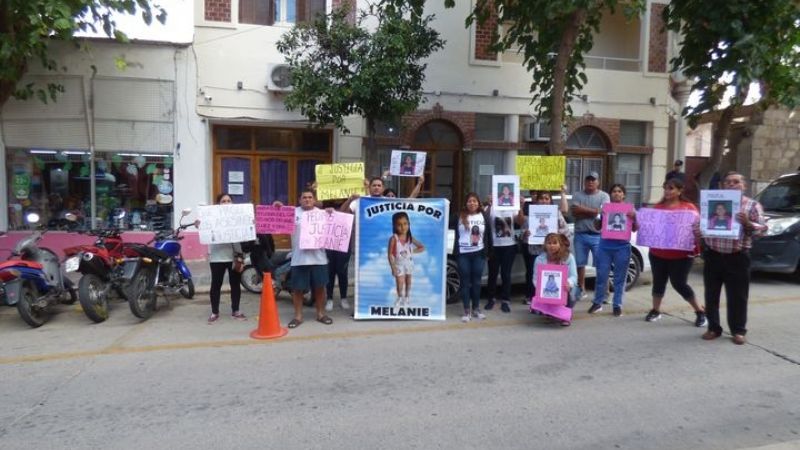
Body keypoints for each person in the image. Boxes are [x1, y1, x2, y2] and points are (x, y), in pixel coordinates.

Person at [696, 172, 766, 345]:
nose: (731, 185)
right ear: (722, 186)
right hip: (713, 255)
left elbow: (763, 230)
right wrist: (698, 231)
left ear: (744, 186)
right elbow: (698, 225)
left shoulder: (752, 205)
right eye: (728, 182)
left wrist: (748, 224)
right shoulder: (710, 202)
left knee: (738, 296)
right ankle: (713, 328)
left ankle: (738, 330)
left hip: (738, 257)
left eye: (736, 182)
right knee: (711, 294)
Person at [645, 177, 706, 327]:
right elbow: (649, 228)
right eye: (665, 188)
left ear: (680, 191)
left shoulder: (689, 208)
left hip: (681, 255)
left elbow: (698, 229)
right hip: (658, 253)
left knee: (679, 283)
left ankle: (699, 311)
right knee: (658, 282)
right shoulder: (658, 208)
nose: (667, 191)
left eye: (671, 188)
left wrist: (698, 234)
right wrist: (638, 219)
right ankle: (655, 310)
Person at [274, 189, 333, 328]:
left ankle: (321, 314)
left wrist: (332, 213)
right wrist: (277, 209)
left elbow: (340, 222)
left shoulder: (323, 213)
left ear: (314, 200)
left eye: (310, 197)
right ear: (300, 200)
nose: (307, 199)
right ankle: (298, 316)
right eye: (304, 197)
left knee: (320, 288)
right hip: (299, 259)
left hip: (319, 258)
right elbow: (275, 222)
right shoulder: (293, 213)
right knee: (297, 289)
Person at [588, 184, 638, 317]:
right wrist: (600, 216)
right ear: (610, 194)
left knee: (619, 277)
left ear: (624, 195)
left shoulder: (630, 209)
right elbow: (597, 226)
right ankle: (598, 302)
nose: (616, 193)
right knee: (601, 275)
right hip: (605, 246)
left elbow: (635, 228)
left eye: (619, 191)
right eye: (614, 191)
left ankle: (617, 305)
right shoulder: (605, 208)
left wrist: (634, 217)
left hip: (622, 246)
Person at [520, 188, 569, 305]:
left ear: (550, 201)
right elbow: (523, 232)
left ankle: (549, 298)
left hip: (552, 251)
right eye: (541, 198)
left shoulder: (556, 213)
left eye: (547, 198)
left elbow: (566, 231)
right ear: (537, 200)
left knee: (550, 274)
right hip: (535, 249)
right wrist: (525, 233)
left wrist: (557, 233)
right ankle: (532, 296)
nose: (544, 201)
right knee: (533, 273)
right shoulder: (531, 213)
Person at [452, 192, 492, 323]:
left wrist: (488, 253)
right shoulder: (458, 216)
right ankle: (466, 310)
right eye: (469, 201)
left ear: (478, 203)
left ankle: (476, 309)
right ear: (466, 203)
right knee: (465, 282)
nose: (472, 203)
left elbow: (489, 235)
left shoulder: (484, 216)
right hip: (463, 253)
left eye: (474, 201)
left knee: (477, 282)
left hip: (479, 253)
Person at [205, 193, 246, 324]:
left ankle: (236, 310)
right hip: (217, 257)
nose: (226, 203)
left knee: (235, 284)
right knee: (216, 285)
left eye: (229, 201)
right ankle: (214, 312)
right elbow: (204, 230)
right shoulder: (211, 218)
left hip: (235, 256)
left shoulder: (239, 217)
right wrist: (200, 224)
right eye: (223, 201)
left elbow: (247, 232)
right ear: (218, 204)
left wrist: (250, 223)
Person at [570, 172, 610, 300]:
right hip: (580, 234)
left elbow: (604, 213)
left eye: (593, 180)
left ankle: (604, 292)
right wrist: (595, 211)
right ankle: (581, 289)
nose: (590, 182)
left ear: (598, 182)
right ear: (584, 182)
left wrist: (583, 210)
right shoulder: (577, 195)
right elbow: (575, 212)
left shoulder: (604, 196)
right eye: (588, 180)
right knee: (580, 264)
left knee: (601, 264)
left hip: (598, 236)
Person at [532, 233, 578, 326]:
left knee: (565, 290)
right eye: (549, 243)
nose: (552, 246)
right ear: (545, 245)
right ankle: (549, 313)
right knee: (545, 290)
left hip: (564, 289)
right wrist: (540, 287)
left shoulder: (568, 257)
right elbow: (535, 278)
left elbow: (574, 276)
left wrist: (569, 283)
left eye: (554, 243)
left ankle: (565, 315)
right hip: (548, 289)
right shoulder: (539, 259)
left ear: (560, 244)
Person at [387, 212, 425, 307]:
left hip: (409, 263)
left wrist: (412, 251)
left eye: (405, 224)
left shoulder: (410, 237)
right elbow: (390, 254)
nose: (403, 227)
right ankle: (400, 297)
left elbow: (421, 247)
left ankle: (407, 297)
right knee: (400, 282)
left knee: (408, 280)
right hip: (399, 264)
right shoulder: (393, 239)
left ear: (408, 224)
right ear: (395, 226)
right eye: (399, 225)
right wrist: (393, 267)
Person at [485, 201, 517, 313]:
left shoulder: (513, 206)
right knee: (492, 274)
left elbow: (520, 221)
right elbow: (485, 220)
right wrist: (490, 205)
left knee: (506, 274)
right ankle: (491, 299)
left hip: (509, 245)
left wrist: (520, 206)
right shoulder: (491, 207)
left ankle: (505, 300)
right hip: (494, 246)